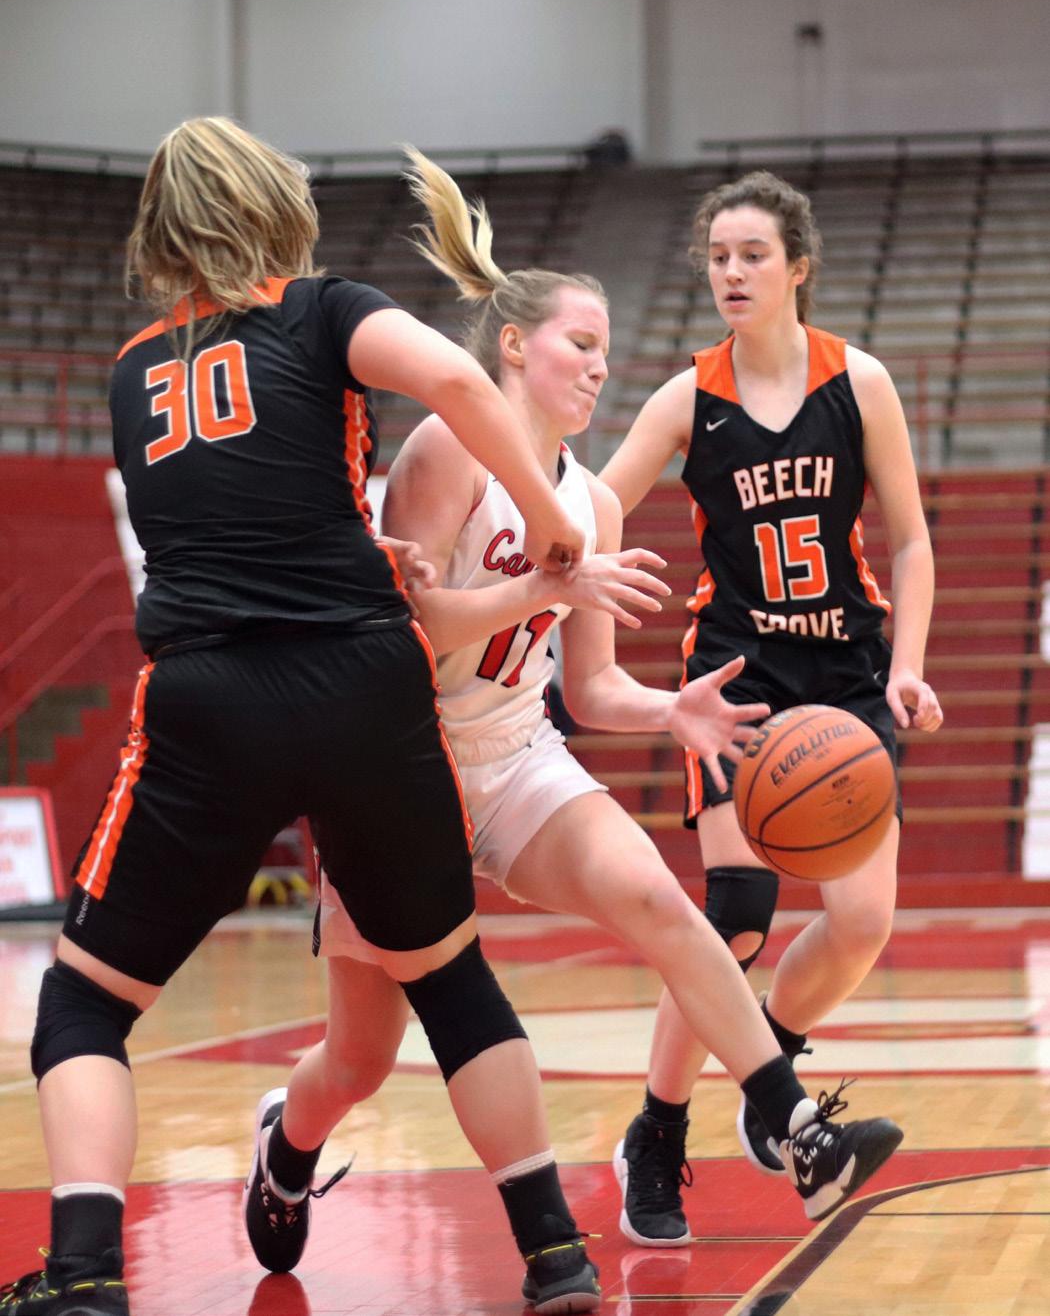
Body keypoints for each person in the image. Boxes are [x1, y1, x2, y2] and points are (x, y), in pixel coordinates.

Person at [244, 149, 907, 1291]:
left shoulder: (593, 500)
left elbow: (589, 690)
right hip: (396, 765)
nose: (601, 366)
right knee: (359, 1056)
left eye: (606, 349)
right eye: (580, 344)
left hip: (513, 754)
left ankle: (795, 1127)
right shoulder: (447, 450)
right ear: (513, 345)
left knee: (665, 903)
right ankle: (288, 1142)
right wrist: (543, 587)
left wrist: (672, 709)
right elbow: (407, 630)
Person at [0, 117, 607, 1316]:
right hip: (360, 682)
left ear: (163, 231)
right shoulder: (324, 309)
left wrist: (352, 545)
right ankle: (554, 1252)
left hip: (211, 698)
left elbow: (226, 519)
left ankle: (84, 1274)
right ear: (278, 205)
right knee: (451, 980)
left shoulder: (132, 370)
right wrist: (548, 516)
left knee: (85, 1003)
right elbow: (450, 379)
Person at [599, 168, 943, 1242]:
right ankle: (656, 1133)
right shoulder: (687, 397)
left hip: (846, 676)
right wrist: (550, 543)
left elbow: (910, 541)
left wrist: (907, 667)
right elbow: (598, 501)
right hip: (736, 681)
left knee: (861, 921)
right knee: (737, 917)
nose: (731, 272)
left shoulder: (858, 381)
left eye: (752, 255)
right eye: (717, 257)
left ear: (797, 267)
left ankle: (770, 1079)